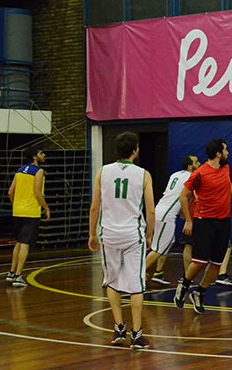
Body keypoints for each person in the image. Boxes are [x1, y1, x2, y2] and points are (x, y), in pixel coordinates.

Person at [88, 131, 155, 349]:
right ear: (135, 150)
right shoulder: (143, 175)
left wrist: (91, 234)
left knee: (111, 280)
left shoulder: (102, 172)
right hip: (132, 234)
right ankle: (136, 334)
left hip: (109, 234)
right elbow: (150, 210)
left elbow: (95, 207)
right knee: (136, 284)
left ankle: (119, 328)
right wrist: (151, 234)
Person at [174, 138, 232, 314]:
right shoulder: (200, 173)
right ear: (218, 154)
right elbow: (183, 196)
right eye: (226, 150)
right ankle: (184, 285)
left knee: (216, 264)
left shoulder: (225, 168)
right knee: (199, 261)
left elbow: (228, 181)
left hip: (223, 221)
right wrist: (189, 221)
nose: (228, 153)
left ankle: (199, 292)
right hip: (204, 221)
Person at [145, 155, 200, 284]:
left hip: (160, 210)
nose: (199, 163)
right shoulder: (191, 176)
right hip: (166, 215)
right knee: (158, 249)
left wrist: (181, 209)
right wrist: (188, 219)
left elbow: (175, 194)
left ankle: (158, 273)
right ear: (190, 167)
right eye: (196, 162)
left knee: (168, 242)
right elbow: (193, 196)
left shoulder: (175, 175)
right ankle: (137, 276)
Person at [6, 148, 50, 288]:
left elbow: (10, 192)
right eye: (41, 153)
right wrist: (46, 208)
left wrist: (16, 205)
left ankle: (12, 272)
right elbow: (37, 193)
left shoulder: (20, 170)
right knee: (25, 243)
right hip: (30, 211)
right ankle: (18, 276)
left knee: (18, 242)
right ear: (34, 157)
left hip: (17, 211)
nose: (44, 155)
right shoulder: (39, 171)